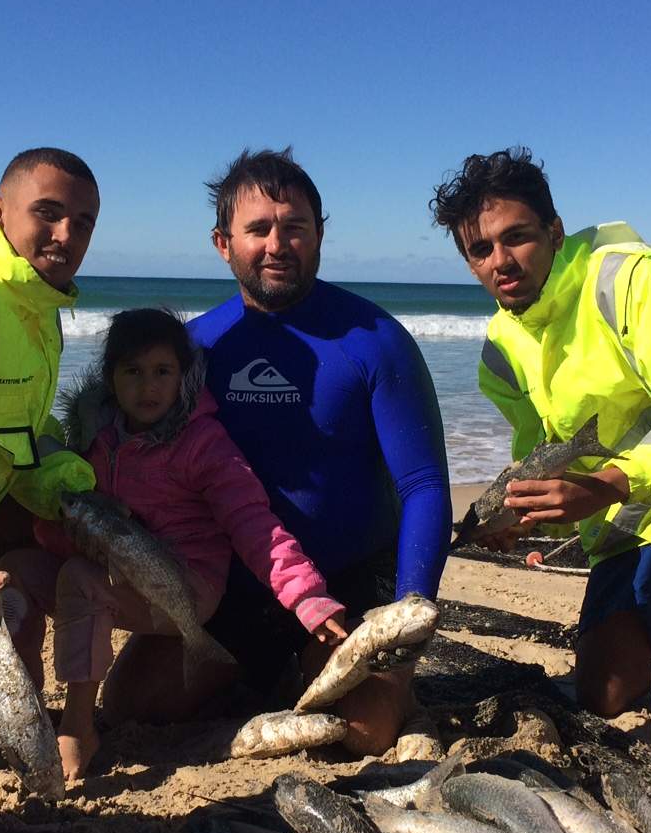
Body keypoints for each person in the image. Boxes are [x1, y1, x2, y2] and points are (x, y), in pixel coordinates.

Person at [430, 149, 651, 780]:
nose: (500, 261)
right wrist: (525, 519)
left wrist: (604, 483)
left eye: (515, 237)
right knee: (603, 695)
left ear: (554, 230)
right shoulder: (499, 347)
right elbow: (543, 457)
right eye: (480, 250)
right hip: (624, 509)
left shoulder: (635, 278)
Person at [166, 149, 451, 757]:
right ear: (222, 243)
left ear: (320, 232)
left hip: (344, 590)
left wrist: (405, 625)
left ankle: (355, 680)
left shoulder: (376, 341)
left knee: (364, 733)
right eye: (258, 229)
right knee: (135, 705)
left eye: (295, 226)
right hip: (232, 586)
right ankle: (261, 670)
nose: (278, 244)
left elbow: (423, 486)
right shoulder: (195, 348)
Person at [0, 308, 349, 779]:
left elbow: (252, 523)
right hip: (117, 573)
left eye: (163, 372)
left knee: (81, 578)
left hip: (186, 586)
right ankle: (16, 707)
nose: (148, 387)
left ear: (184, 377)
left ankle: (78, 726)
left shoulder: (203, 443)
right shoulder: (96, 442)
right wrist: (55, 534)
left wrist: (306, 596)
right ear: (109, 378)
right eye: (133, 372)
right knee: (11, 570)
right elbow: (71, 521)